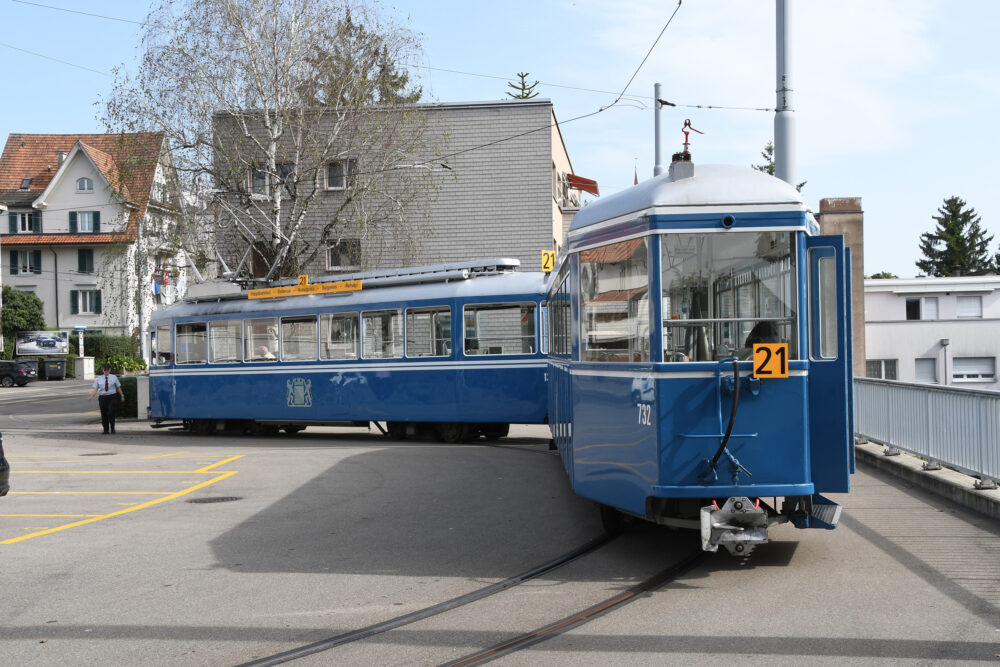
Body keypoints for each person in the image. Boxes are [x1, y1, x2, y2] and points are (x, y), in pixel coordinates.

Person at [88, 364, 125, 434]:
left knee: (111, 412)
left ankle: (112, 428)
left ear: (109, 370)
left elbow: (118, 387)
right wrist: (91, 396)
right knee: (104, 414)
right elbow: (95, 389)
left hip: (112, 397)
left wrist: (122, 395)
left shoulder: (114, 377)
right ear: (103, 370)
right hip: (103, 398)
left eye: (107, 370)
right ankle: (105, 429)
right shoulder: (99, 378)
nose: (106, 371)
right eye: (104, 370)